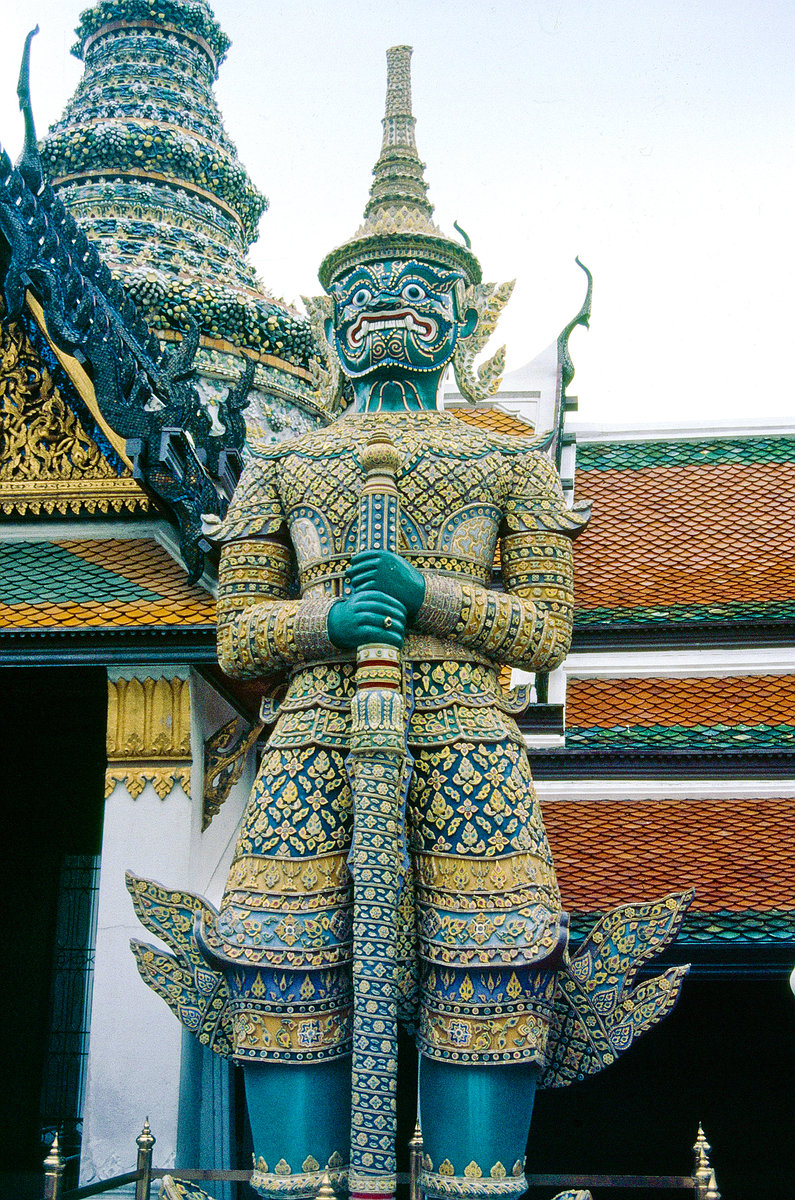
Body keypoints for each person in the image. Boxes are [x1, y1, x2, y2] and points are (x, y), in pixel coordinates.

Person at [129, 44, 690, 1200]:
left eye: (420, 290)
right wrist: (331, 616)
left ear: (461, 313)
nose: (391, 308)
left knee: (488, 985)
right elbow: (238, 639)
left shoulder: (510, 464)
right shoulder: (284, 465)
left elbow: (544, 631)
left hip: (465, 736)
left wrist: (425, 594)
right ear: (328, 316)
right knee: (284, 981)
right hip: (316, 741)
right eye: (366, 292)